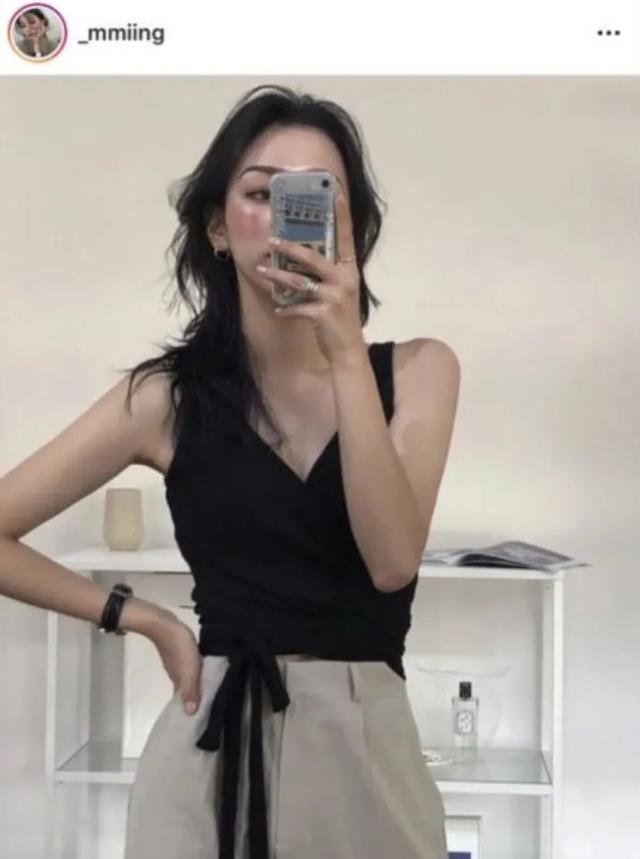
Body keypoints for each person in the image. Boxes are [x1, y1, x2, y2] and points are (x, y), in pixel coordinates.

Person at [0, 84, 461, 858]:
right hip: (209, 751)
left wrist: (346, 351)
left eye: (316, 194)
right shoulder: (166, 398)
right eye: (259, 192)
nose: (286, 215)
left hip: (367, 753)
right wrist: (139, 617)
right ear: (217, 225)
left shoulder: (419, 371)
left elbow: (391, 561)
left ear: (351, 224)